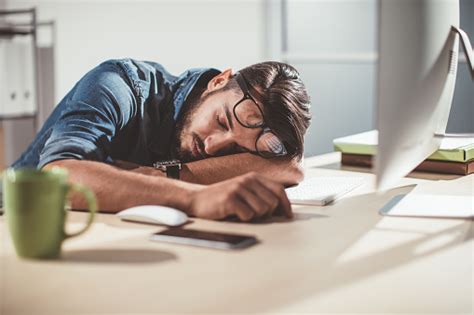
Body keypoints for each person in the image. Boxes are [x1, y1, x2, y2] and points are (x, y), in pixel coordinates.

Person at [12, 59, 311, 221]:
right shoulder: (118, 85)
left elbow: (288, 165)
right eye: (222, 121)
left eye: (235, 150)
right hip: (16, 221)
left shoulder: (221, 123)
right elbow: (59, 177)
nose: (213, 147)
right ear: (218, 81)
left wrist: (165, 174)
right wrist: (194, 197)